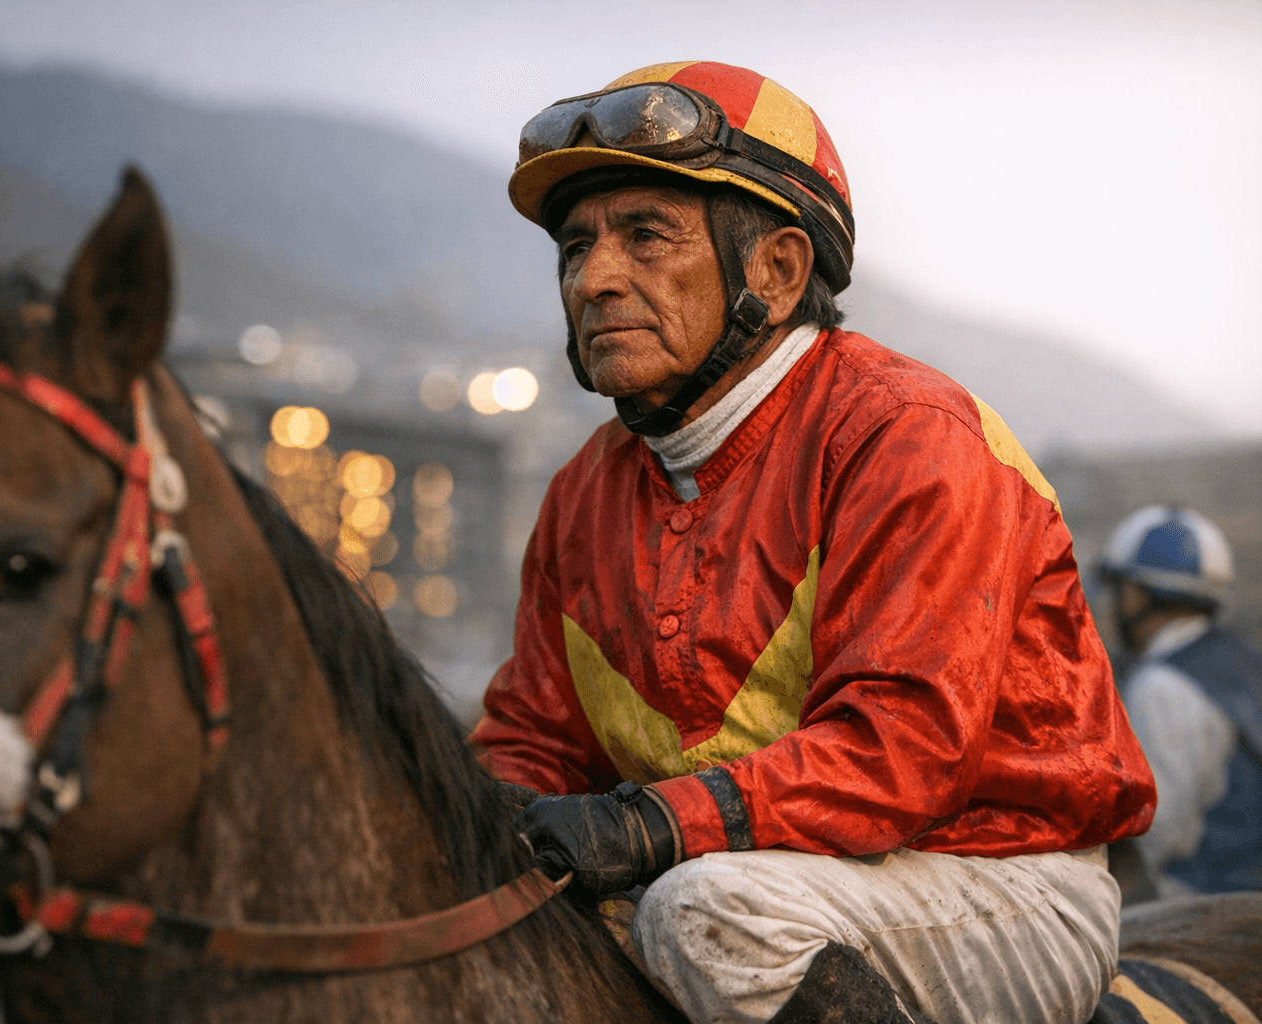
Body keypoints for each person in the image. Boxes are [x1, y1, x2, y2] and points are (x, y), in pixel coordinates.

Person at [469, 61, 1156, 1024]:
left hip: (996, 882)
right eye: (576, 246)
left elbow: (899, 750)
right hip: (737, 869)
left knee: (712, 919)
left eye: (645, 236)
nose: (593, 278)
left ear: (778, 270)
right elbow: (532, 736)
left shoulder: (909, 435)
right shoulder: (583, 489)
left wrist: (649, 822)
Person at [1099, 506, 1262, 896]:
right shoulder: (1243, 659)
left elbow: (1157, 835)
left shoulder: (1160, 686)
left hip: (1213, 906)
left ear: (1137, 595)